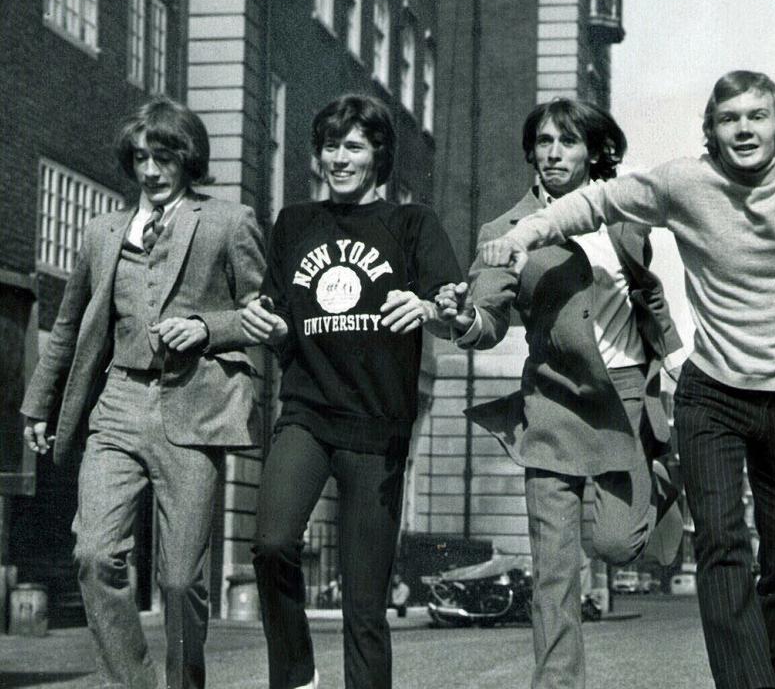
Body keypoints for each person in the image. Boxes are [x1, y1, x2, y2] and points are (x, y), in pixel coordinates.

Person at [478, 71, 775, 689]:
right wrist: (522, 235)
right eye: (728, 119)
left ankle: (773, 676)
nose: (743, 129)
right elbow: (595, 201)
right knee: (722, 545)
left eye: (757, 116)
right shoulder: (685, 182)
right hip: (713, 395)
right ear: (711, 131)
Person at [435, 98, 685, 689]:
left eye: (567, 142)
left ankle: (666, 483)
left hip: (626, 400)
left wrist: (673, 358)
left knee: (618, 544)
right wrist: (460, 315)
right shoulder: (504, 232)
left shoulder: (623, 215)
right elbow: (488, 318)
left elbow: (646, 294)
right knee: (554, 574)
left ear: (592, 151)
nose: (552, 153)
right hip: (552, 405)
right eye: (544, 141)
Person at [20, 97, 265, 688]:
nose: (151, 172)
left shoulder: (230, 222)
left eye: (163, 157)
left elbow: (263, 314)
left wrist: (209, 327)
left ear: (188, 159)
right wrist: (37, 403)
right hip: (119, 404)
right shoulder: (102, 232)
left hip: (194, 409)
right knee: (94, 553)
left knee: (181, 579)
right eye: (139, 158)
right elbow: (71, 326)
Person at [240, 94, 461, 689]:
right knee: (271, 544)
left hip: (377, 425)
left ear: (378, 155)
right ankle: (296, 676)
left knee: (365, 606)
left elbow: (450, 301)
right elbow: (278, 310)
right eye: (331, 146)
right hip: (307, 412)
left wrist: (426, 305)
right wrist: (266, 320)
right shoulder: (294, 223)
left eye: (354, 147)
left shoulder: (412, 224)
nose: (339, 158)